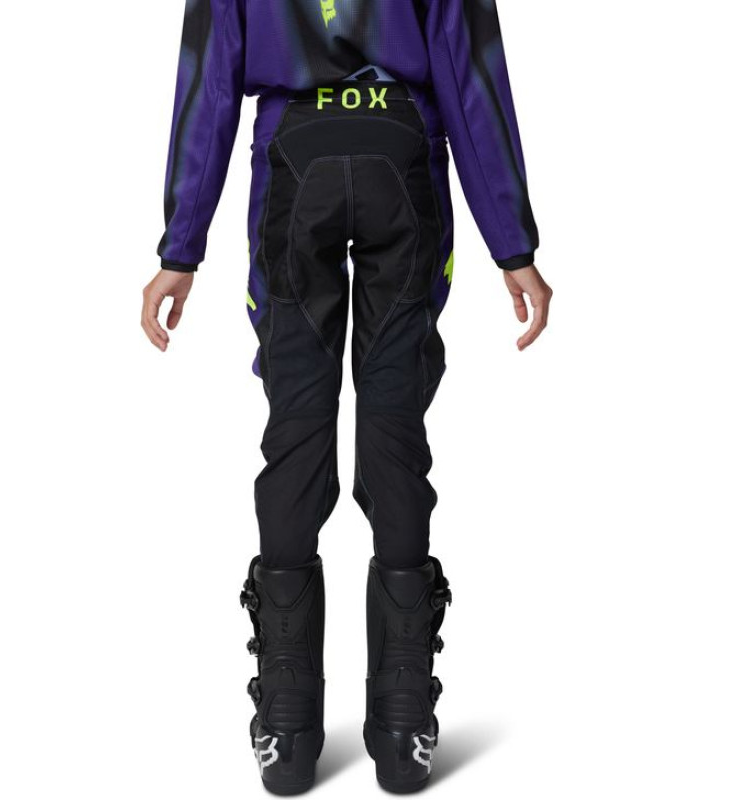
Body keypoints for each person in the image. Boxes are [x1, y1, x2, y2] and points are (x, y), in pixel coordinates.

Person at [141, 0, 552, 793]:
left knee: (297, 426)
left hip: (292, 159)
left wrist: (179, 249)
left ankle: (288, 729)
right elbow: (469, 71)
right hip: (404, 151)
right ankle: (402, 727)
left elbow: (209, 77)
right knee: (393, 425)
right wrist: (514, 245)